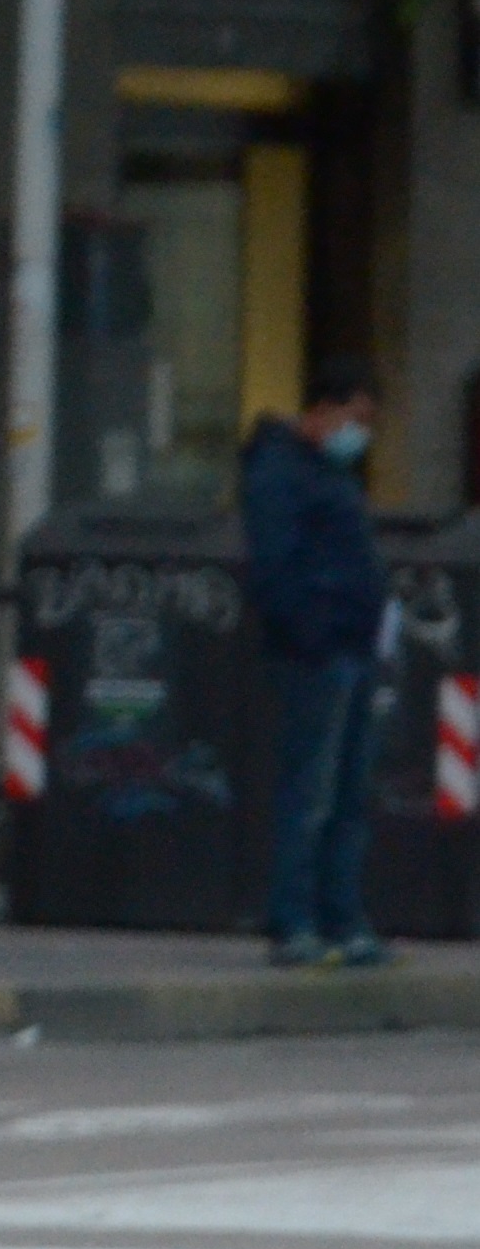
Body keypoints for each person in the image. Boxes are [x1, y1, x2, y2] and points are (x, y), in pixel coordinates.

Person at [241, 359, 392, 969]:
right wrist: (316, 634)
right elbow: (276, 568)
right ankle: (295, 919)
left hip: (351, 649)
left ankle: (341, 917)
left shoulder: (328, 473)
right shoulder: (282, 471)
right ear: (325, 412)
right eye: (356, 420)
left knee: (347, 794)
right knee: (313, 792)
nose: (361, 434)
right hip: (321, 653)